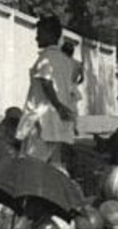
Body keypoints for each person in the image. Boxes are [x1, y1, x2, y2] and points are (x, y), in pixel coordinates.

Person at [16, 15, 79, 168]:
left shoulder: (46, 58)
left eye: (40, 33)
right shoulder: (67, 61)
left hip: (42, 121)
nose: (36, 38)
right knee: (54, 164)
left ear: (50, 34)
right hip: (59, 122)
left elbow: (46, 82)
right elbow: (71, 91)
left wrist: (57, 105)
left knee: (31, 165)